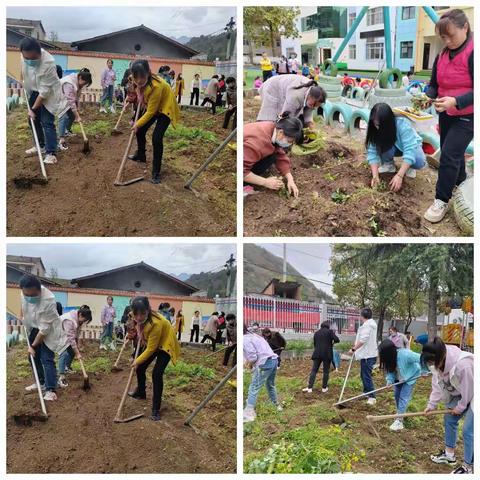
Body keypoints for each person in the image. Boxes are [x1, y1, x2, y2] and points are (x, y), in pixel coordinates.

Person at [424, 9, 473, 224]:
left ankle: (441, 199)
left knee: (449, 155)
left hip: (468, 115)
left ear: (465, 28)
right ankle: (461, 183)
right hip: (446, 114)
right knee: (454, 153)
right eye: (443, 37)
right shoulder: (441, 56)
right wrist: (426, 96)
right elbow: (434, 84)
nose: (447, 41)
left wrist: (456, 101)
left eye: (451, 35)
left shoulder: (473, 53)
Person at [421, 337, 473, 473]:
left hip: (475, 391)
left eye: (432, 361)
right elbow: (437, 385)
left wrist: (461, 407)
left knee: (469, 431)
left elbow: (470, 390)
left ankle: (469, 467)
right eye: (429, 362)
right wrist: (431, 404)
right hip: (463, 391)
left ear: (441, 356)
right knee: (449, 418)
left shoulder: (463, 365)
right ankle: (449, 455)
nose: (431, 365)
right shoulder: (438, 363)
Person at [127, 59, 180, 184]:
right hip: (153, 106)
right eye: (136, 77)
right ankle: (141, 155)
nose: (139, 80)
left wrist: (137, 123)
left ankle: (156, 172)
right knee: (140, 131)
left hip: (165, 107)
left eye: (142, 77)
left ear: (148, 73)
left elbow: (151, 112)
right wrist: (131, 99)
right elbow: (135, 94)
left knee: (156, 138)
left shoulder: (156, 86)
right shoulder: (134, 80)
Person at [128, 297, 180, 421]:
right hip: (153, 341)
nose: (139, 317)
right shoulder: (134, 315)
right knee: (140, 368)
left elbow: (151, 349)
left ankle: (156, 409)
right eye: (136, 314)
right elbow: (134, 328)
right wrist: (132, 333)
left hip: (165, 343)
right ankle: (141, 392)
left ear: (148, 310)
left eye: (143, 314)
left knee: (156, 373)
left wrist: (136, 360)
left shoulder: (156, 323)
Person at [20, 274, 67, 401]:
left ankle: (51, 389)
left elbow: (45, 329)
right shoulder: (24, 293)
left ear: (39, 290)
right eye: (27, 295)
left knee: (46, 359)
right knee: (32, 357)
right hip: (34, 327)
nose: (29, 298)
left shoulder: (48, 300)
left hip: (48, 330)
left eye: (32, 295)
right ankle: (40, 382)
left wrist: (33, 346)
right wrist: (23, 317)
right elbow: (23, 306)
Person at [20, 37, 66, 165]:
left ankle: (51, 153)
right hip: (34, 90)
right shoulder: (24, 55)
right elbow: (23, 68)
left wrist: (33, 109)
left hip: (48, 93)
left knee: (46, 122)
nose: (29, 61)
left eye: (32, 59)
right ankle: (40, 145)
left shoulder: (49, 63)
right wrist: (22, 79)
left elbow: (44, 92)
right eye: (26, 58)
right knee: (32, 120)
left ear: (39, 53)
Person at [366, 102, 426, 192]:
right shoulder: (374, 126)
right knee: (382, 143)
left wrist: (399, 175)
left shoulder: (402, 124)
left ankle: (409, 167)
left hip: (410, 146)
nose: (377, 127)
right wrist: (375, 176)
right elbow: (372, 152)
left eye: (380, 125)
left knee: (418, 160)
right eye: (376, 124)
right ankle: (388, 164)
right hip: (392, 145)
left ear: (389, 121)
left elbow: (410, 150)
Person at [243, 113, 304, 197]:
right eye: (289, 141)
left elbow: (280, 155)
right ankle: (243, 185)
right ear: (281, 132)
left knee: (272, 156)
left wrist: (290, 179)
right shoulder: (258, 143)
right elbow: (242, 171)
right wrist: (265, 182)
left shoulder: (273, 129)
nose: (289, 144)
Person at [378, 339, 425, 431]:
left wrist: (424, 370)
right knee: (397, 396)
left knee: (403, 398)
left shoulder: (405, 354)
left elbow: (421, 358)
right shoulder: (390, 358)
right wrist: (389, 380)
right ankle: (400, 413)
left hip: (410, 377)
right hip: (398, 379)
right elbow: (390, 371)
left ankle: (399, 421)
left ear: (388, 352)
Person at [257, 75, 327, 128]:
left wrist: (310, 124)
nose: (313, 107)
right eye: (314, 104)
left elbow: (308, 111)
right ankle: (263, 130)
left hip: (286, 88)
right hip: (273, 88)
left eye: (315, 106)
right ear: (310, 96)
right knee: (270, 117)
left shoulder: (313, 91)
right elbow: (286, 116)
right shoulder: (295, 96)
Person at [243, 324, 281, 422]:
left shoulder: (245, 339)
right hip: (273, 360)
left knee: (254, 386)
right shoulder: (254, 336)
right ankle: (276, 405)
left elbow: (252, 357)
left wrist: (250, 365)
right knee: (270, 384)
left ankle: (249, 412)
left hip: (265, 363)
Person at [58, 68, 92, 151]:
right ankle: (61, 139)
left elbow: (76, 98)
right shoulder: (69, 83)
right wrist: (78, 116)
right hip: (58, 99)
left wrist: (77, 110)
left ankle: (67, 131)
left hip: (67, 100)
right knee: (64, 116)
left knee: (72, 115)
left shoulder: (77, 82)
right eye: (84, 83)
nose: (83, 85)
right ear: (80, 77)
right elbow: (71, 101)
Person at [58, 305, 92, 388]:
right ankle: (61, 377)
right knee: (64, 353)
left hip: (66, 335)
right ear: (80, 315)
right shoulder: (69, 320)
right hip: (58, 335)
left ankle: (67, 367)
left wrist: (76, 347)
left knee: (72, 351)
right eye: (84, 320)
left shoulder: (78, 319)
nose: (84, 322)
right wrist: (78, 353)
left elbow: (75, 333)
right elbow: (70, 338)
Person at [349, 307, 378, 405]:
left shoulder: (367, 326)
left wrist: (354, 349)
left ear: (362, 316)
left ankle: (372, 397)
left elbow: (363, 339)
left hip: (367, 355)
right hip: (369, 354)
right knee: (364, 375)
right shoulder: (371, 324)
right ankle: (366, 392)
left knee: (366, 376)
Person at [303, 321, 339, 393]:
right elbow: (337, 340)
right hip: (327, 354)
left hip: (317, 353)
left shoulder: (316, 333)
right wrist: (332, 342)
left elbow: (315, 344)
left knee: (314, 370)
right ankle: (324, 388)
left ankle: (309, 388)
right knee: (326, 371)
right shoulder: (330, 332)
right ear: (328, 326)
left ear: (321, 326)